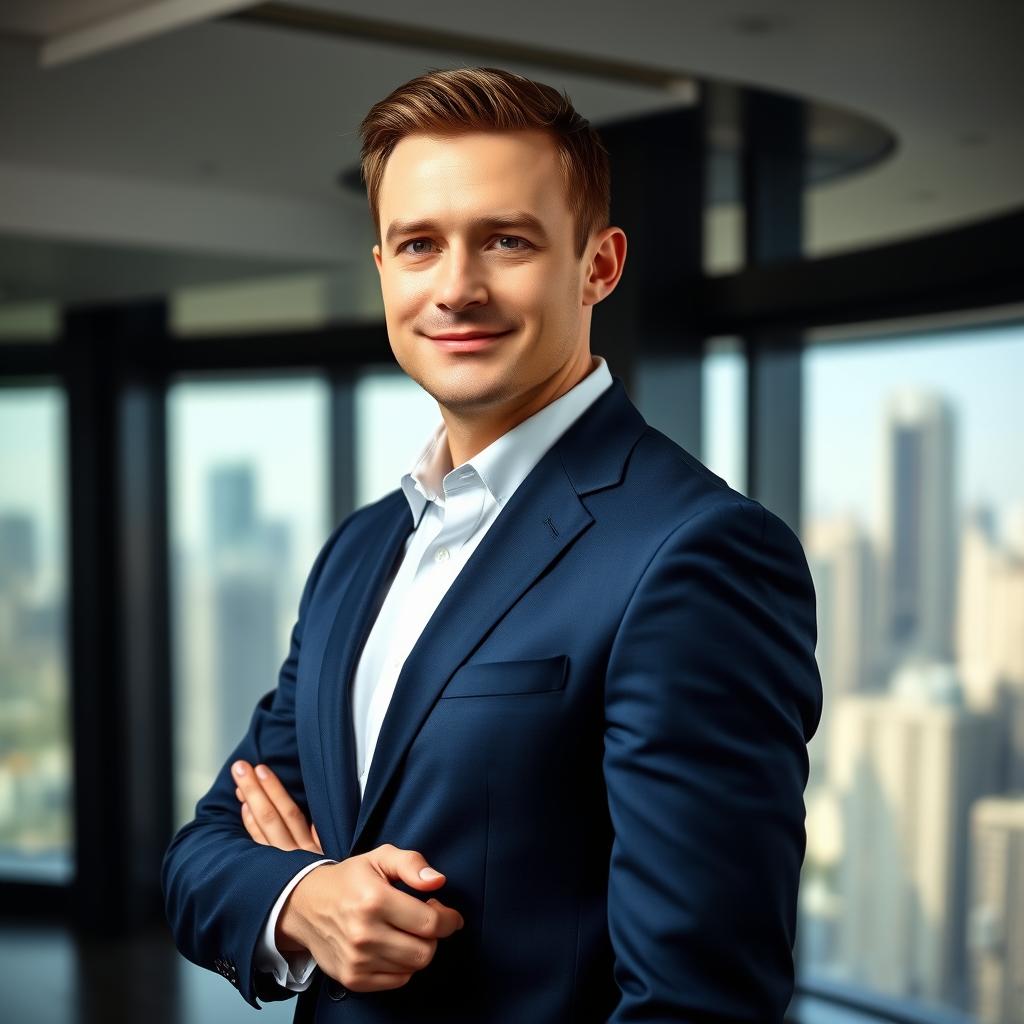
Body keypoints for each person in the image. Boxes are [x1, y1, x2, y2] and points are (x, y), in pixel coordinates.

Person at [161, 65, 822, 1023]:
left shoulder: (697, 553)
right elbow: (202, 853)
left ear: (599, 265)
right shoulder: (361, 549)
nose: (456, 289)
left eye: (507, 240)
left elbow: (698, 1002)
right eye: (419, 245)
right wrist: (304, 900)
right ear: (383, 269)